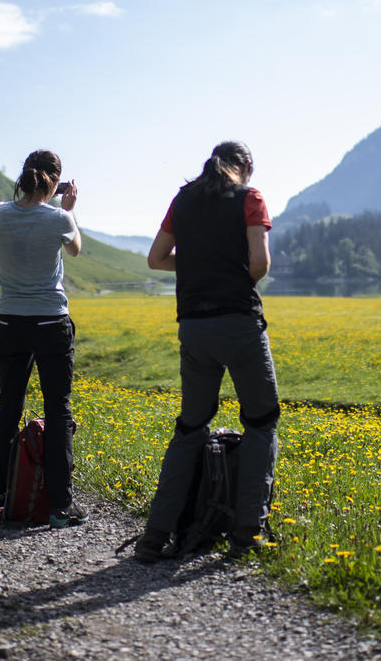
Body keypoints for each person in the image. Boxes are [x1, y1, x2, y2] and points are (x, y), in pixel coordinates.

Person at [134, 141, 280, 561]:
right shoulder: (250, 198)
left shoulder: (184, 199)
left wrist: (199, 262)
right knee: (261, 421)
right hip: (239, 324)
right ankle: (247, 533)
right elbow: (259, 265)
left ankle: (155, 536)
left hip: (193, 328)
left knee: (191, 426)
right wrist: (226, 265)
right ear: (246, 167)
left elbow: (157, 259)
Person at [0, 149, 87, 530]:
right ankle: (60, 507)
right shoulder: (60, 218)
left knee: (8, 408)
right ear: (55, 182)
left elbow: (21, 210)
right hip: (51, 321)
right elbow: (75, 247)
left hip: (11, 323)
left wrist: (46, 198)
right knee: (58, 411)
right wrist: (68, 206)